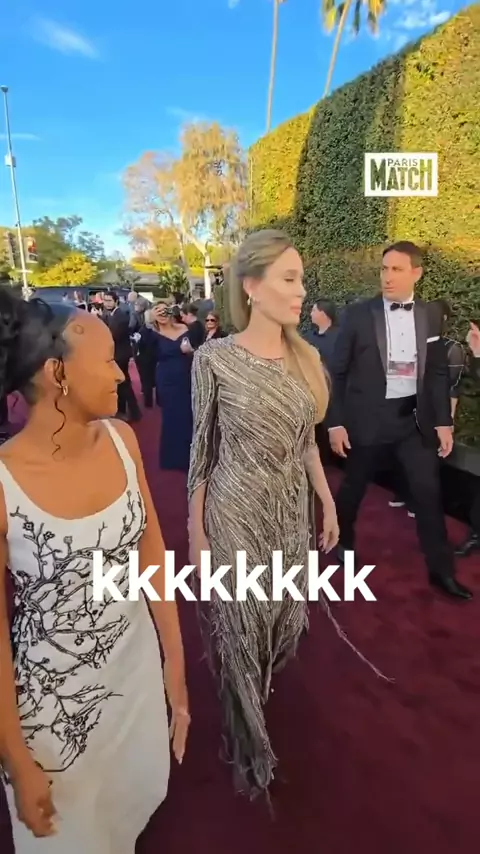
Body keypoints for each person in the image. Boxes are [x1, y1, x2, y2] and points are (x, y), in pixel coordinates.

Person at [0, 290, 189, 852]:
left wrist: (174, 666)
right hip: (52, 712)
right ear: (56, 373)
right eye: (107, 360)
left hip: (134, 677)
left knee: (128, 810)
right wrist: (17, 759)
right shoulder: (3, 482)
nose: (121, 372)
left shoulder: (123, 440)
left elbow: (152, 557)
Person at [187, 229, 338, 797]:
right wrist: (196, 532)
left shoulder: (305, 358)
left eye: (301, 280)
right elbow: (201, 452)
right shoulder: (215, 359)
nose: (301, 292)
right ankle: (249, 740)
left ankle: (257, 682)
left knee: (283, 620)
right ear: (251, 286)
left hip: (288, 513)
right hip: (234, 510)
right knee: (240, 623)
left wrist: (326, 502)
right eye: (289, 279)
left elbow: (307, 444)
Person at [327, 240, 471, 600]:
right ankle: (343, 541)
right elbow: (336, 372)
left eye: (397, 269)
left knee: (428, 494)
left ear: (416, 274)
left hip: (413, 423)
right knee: (353, 488)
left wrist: (443, 422)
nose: (387, 277)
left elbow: (436, 372)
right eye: (384, 269)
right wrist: (335, 422)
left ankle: (441, 571)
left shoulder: (429, 314)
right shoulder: (358, 315)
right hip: (368, 421)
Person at [141, 302, 194, 472]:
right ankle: (173, 457)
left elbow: (196, 351)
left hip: (186, 377)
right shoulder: (152, 334)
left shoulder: (184, 328)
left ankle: (190, 455)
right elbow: (144, 354)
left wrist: (190, 351)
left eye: (165, 310)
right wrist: (150, 321)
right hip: (166, 380)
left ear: (171, 312)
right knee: (171, 416)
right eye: (158, 311)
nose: (162, 314)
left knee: (187, 415)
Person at [102, 290, 141, 422]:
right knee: (121, 384)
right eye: (105, 301)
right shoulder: (111, 314)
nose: (107, 303)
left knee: (123, 383)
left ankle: (133, 413)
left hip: (121, 355)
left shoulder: (120, 316)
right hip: (118, 354)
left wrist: (100, 320)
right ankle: (123, 411)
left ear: (116, 301)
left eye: (109, 301)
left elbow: (112, 335)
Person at [304, 298, 339, 372]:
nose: (311, 314)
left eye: (314, 311)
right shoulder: (309, 337)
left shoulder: (340, 337)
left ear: (323, 314)